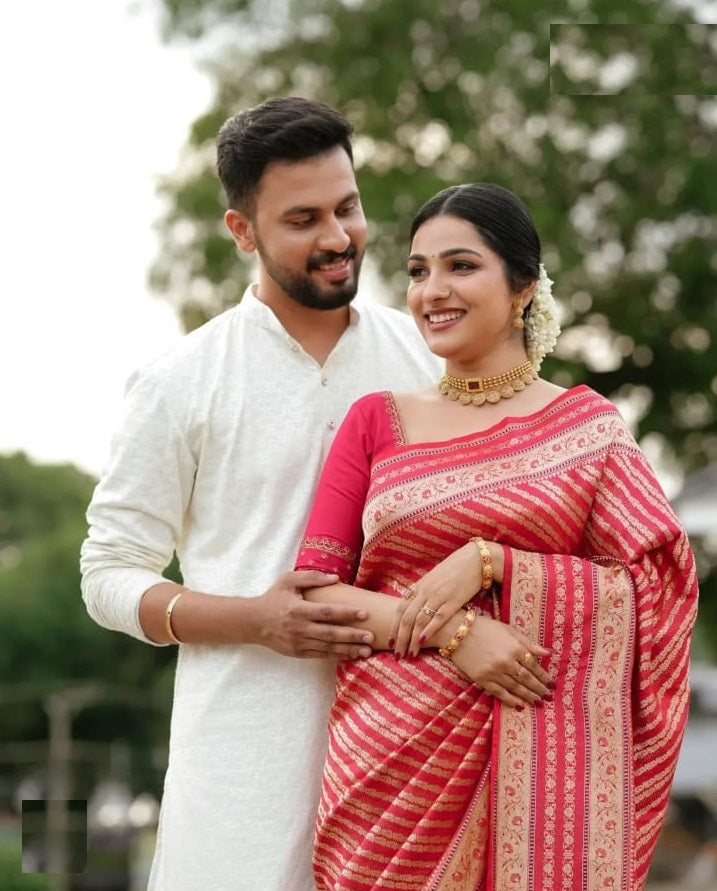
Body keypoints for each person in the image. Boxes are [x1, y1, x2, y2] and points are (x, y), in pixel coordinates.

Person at [79, 96, 446, 891]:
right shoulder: (181, 380)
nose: (336, 237)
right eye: (302, 218)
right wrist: (254, 619)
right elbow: (107, 572)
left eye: (347, 207)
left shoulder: (429, 359)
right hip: (238, 785)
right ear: (241, 231)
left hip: (412, 769)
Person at [293, 182, 699, 890]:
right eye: (418, 271)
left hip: (541, 748)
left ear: (522, 289)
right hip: (387, 768)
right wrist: (456, 633)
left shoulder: (587, 429)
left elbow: (656, 589)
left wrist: (493, 562)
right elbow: (316, 597)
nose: (431, 291)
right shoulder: (374, 420)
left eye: (460, 266)